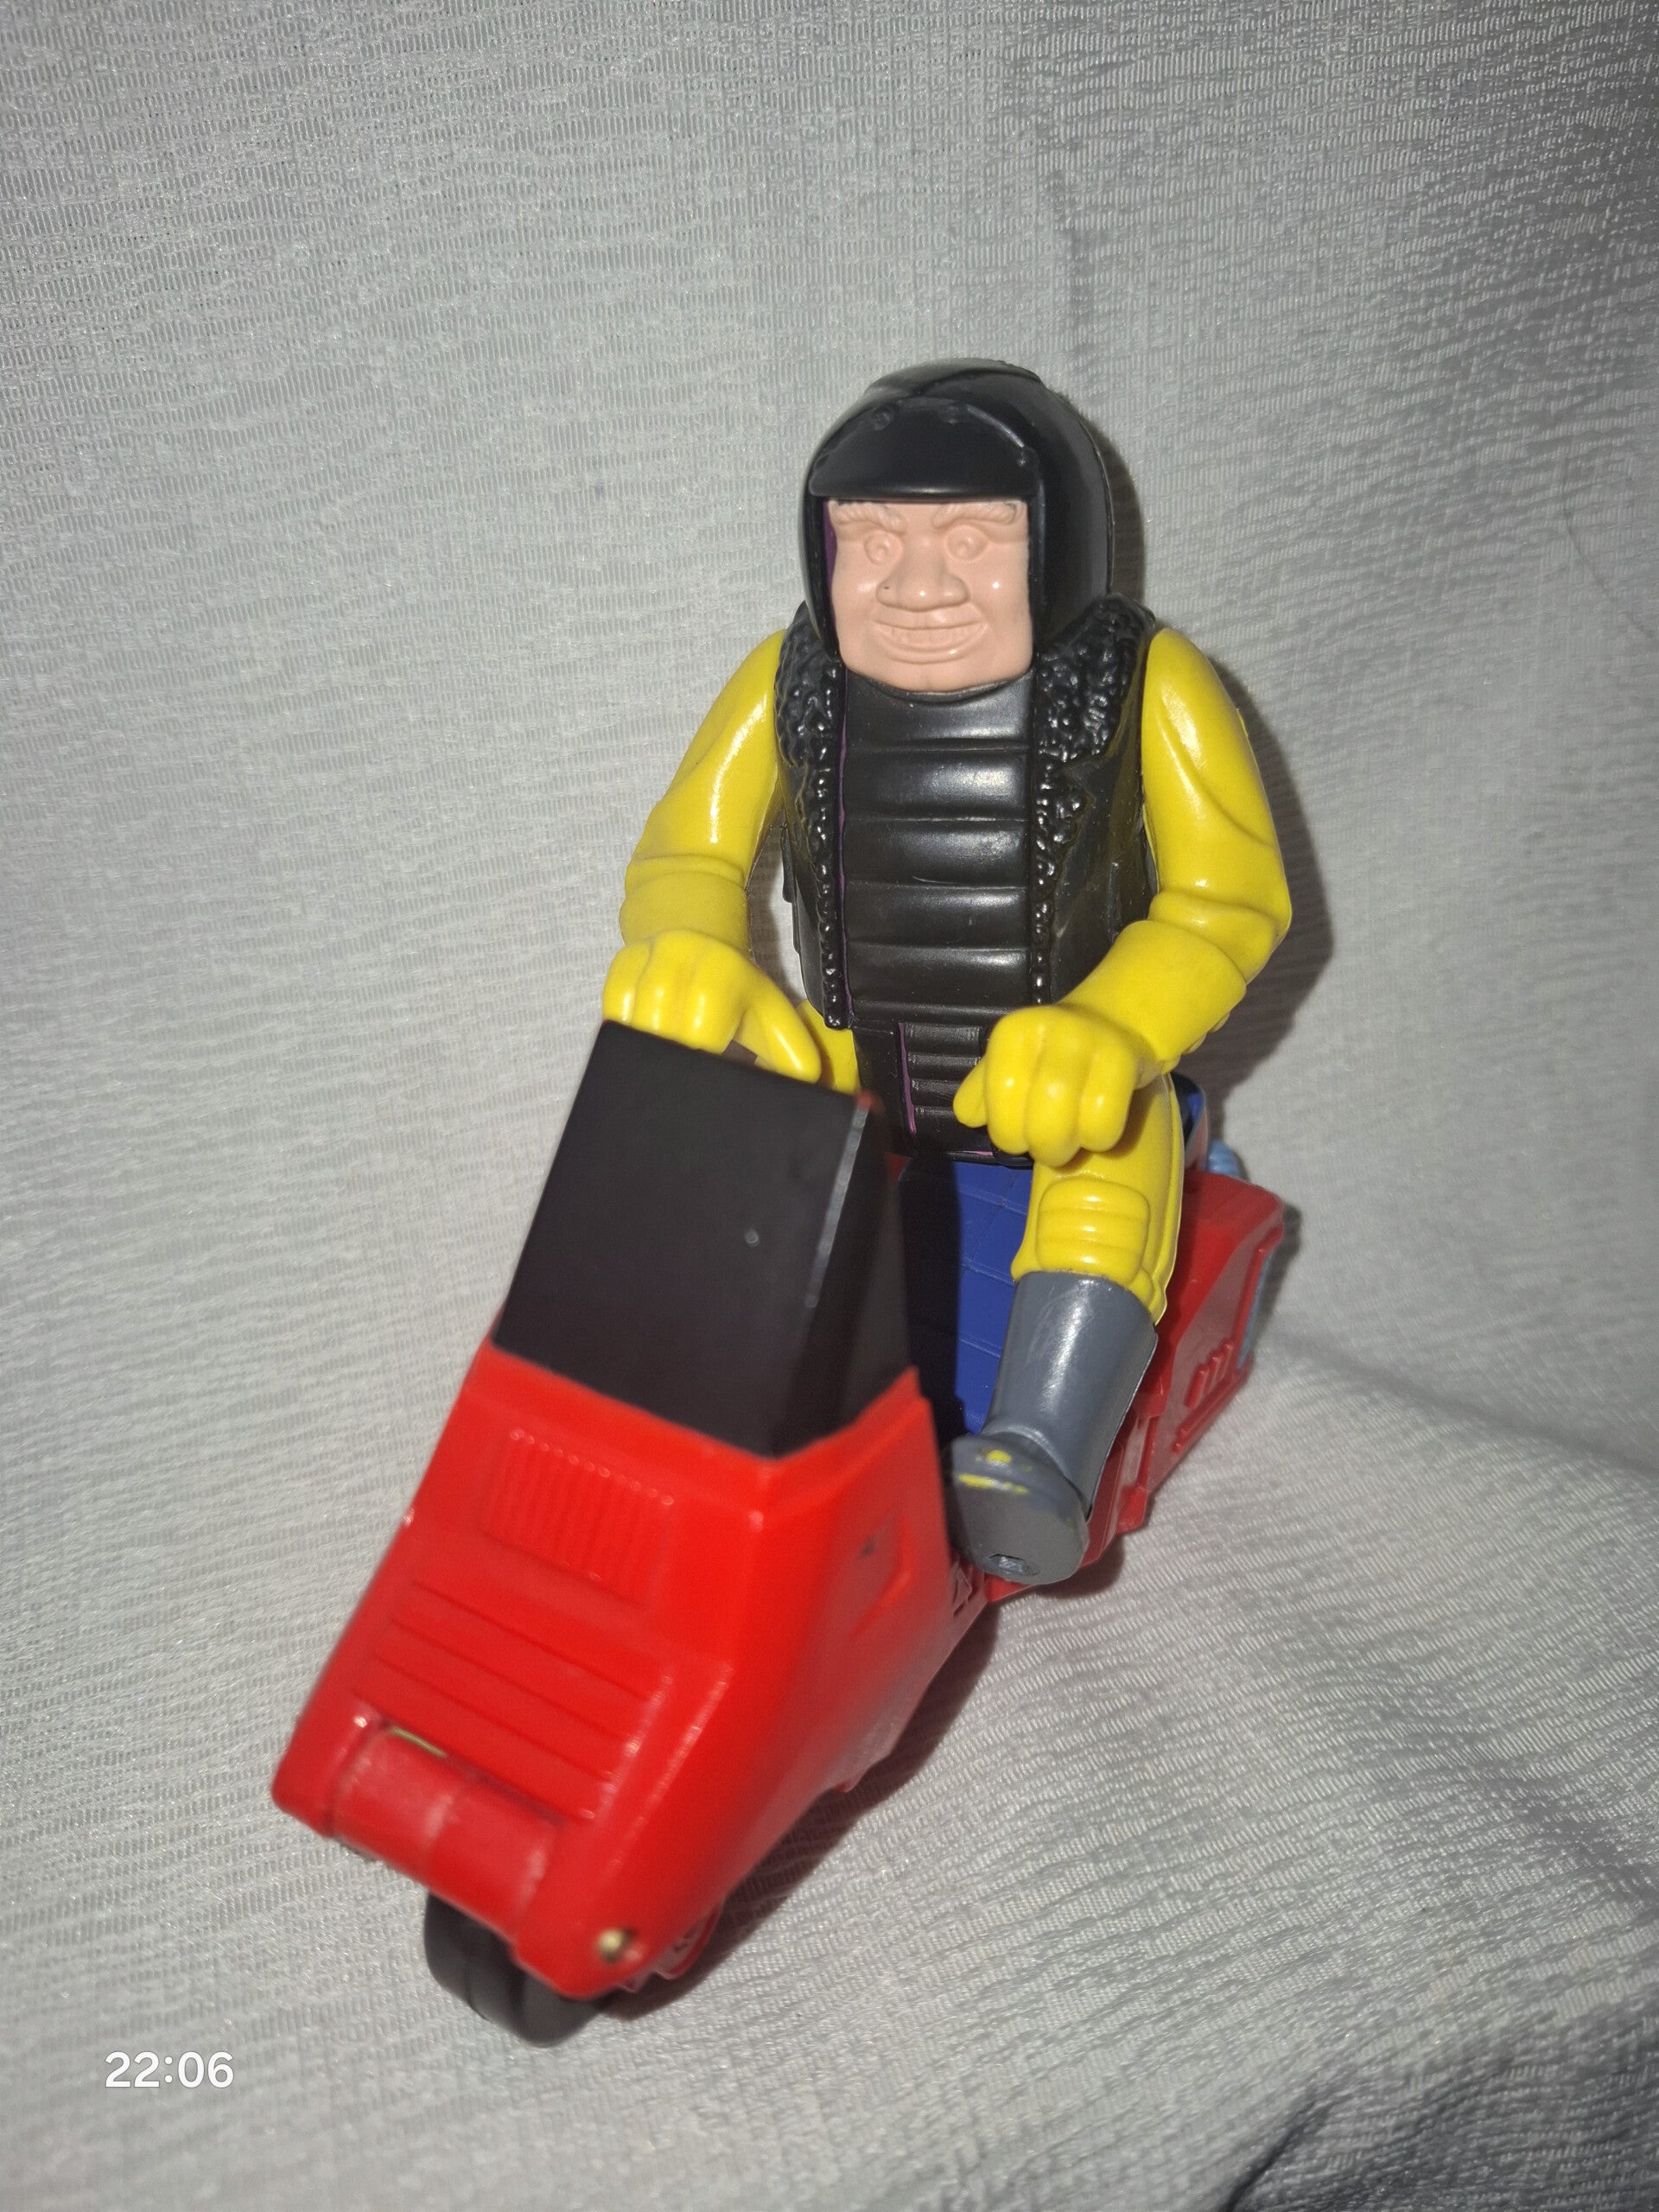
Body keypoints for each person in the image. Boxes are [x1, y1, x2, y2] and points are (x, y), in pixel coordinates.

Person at [604, 362, 1290, 1584]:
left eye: (973, 541)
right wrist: (696, 948)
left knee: (1110, 1167)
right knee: (733, 1128)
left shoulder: (1150, 687)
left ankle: (1034, 1455)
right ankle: (674, 1388)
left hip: (1065, 1096)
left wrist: (1113, 1029)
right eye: (873, 542)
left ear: (1057, 544)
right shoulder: (789, 681)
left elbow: (1230, 899)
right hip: (857, 1058)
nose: (919, 588)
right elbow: (686, 854)